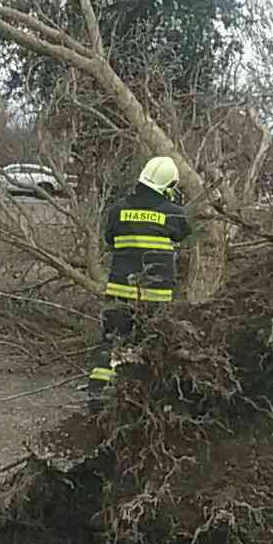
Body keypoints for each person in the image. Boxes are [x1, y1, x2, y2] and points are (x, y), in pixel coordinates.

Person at [87, 155, 190, 399]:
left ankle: (98, 398)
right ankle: (141, 400)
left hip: (119, 293)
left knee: (112, 346)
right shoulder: (174, 213)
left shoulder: (117, 209)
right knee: (151, 348)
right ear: (170, 186)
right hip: (156, 300)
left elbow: (109, 239)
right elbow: (183, 235)